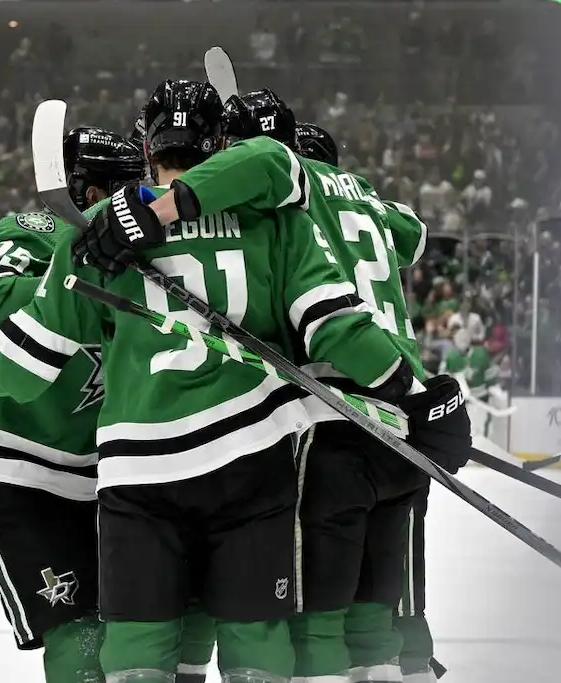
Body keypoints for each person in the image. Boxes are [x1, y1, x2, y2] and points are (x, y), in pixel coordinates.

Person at [0, 78, 426, 683]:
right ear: (222, 147)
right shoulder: (275, 221)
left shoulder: (109, 230)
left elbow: (29, 349)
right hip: (251, 459)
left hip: (137, 474)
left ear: (147, 146)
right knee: (254, 641)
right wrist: (414, 393)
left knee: (136, 647)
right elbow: (333, 325)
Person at [74, 88, 471, 683]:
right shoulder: (365, 197)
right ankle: (408, 663)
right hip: (398, 414)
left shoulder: (280, 191)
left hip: (326, 417)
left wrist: (157, 208)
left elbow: (266, 175)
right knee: (385, 616)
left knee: (312, 625)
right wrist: (412, 392)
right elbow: (412, 235)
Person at [0, 126, 209, 682]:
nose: (124, 202)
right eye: (111, 190)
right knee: (79, 636)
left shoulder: (157, 250)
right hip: (17, 469)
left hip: (112, 473)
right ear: (85, 192)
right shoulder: (33, 230)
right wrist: (90, 287)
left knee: (150, 631)